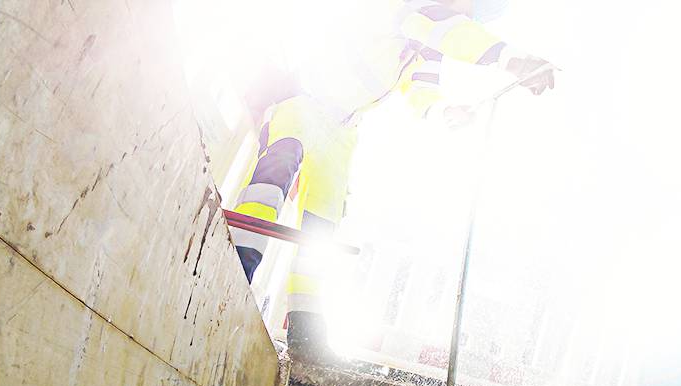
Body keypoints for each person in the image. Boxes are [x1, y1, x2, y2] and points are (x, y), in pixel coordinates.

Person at [229, 0, 554, 360]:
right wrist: (514, 60)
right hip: (303, 103)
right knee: (271, 182)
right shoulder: (407, 9)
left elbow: (422, 88)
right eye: (470, 9)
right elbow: (450, 32)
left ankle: (306, 332)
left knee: (320, 231)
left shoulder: (418, 47)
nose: (468, 16)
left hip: (341, 133)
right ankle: (233, 271)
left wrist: (444, 111)